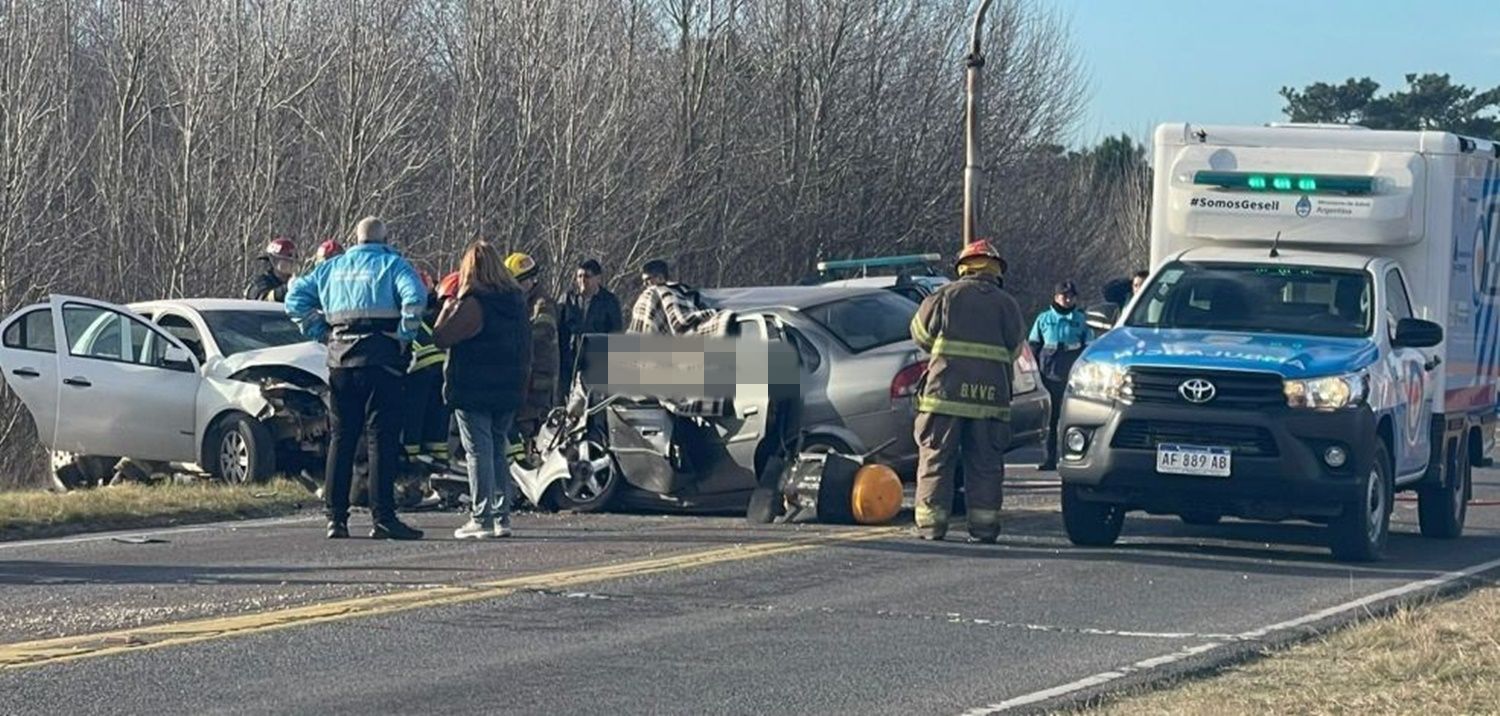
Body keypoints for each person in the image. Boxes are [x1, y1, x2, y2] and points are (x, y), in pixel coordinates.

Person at [286, 217, 427, 541]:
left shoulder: (332, 268)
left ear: (355, 239)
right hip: (382, 363)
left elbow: (294, 300)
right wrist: (404, 335)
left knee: (342, 439)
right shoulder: (393, 265)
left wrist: (320, 331)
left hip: (340, 363)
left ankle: (336, 519)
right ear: (385, 238)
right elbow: (415, 298)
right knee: (381, 440)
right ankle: (383, 518)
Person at [908, 239, 1025, 543]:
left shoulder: (944, 297)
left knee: (935, 458)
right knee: (985, 465)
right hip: (990, 400)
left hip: (944, 395)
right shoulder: (1007, 305)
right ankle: (984, 527)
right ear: (996, 269)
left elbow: (919, 334)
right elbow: (1014, 349)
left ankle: (931, 527)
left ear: (963, 267)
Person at [434, 242, 531, 540]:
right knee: (498, 449)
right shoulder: (516, 301)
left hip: (473, 386)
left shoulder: (474, 303)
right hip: (509, 386)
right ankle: (503, 515)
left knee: (478, 451)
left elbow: (441, 337)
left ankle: (482, 516)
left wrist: (448, 307)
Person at [1029, 280, 1093, 471]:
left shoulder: (1081, 320)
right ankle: (1049, 458)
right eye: (1064, 296)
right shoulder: (1044, 319)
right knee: (1051, 418)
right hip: (1048, 373)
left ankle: (1072, 456)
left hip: (1072, 374)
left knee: (1072, 417)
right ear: (1056, 297)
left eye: (1071, 296)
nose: (1067, 299)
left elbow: (1089, 347)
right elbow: (1034, 345)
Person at [505, 252, 559, 465]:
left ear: (528, 280)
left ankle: (528, 466)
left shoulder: (542, 303)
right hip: (525, 374)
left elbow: (542, 333)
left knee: (529, 423)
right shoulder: (521, 302)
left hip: (538, 377)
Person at [558, 258, 623, 386]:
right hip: (568, 362)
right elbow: (558, 330)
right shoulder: (567, 299)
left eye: (587, 276)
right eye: (579, 276)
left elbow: (616, 334)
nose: (582, 280)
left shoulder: (609, 301)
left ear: (598, 278)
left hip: (596, 363)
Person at [628, 259, 734, 336]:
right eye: (644, 281)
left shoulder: (657, 292)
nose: (645, 284)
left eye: (648, 280)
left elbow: (680, 318)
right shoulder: (684, 290)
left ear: (660, 278)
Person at [245, 237, 298, 301]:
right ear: (273, 261)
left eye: (293, 260)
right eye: (286, 260)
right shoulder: (259, 284)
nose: (291, 263)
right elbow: (263, 302)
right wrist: (286, 289)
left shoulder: (294, 281)